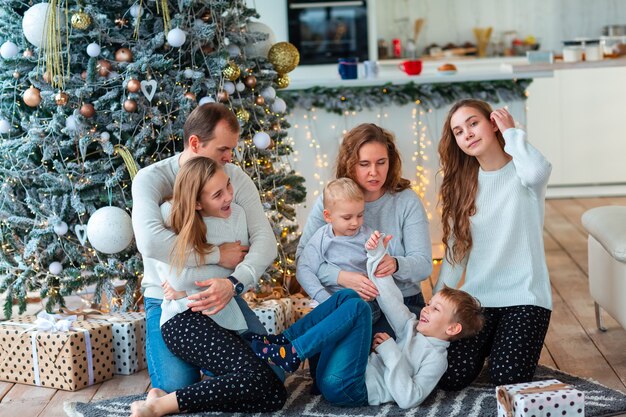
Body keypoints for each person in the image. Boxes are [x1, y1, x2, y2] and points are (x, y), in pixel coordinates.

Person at [131, 103, 279, 392]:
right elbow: (150, 242)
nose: (229, 158)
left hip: (221, 294)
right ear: (196, 143)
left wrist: (234, 283)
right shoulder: (152, 179)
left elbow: (264, 239)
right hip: (168, 300)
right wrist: (217, 254)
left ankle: (228, 374)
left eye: (232, 150)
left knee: (274, 372)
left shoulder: (234, 177)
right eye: (223, 149)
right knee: (177, 385)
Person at [250, 230, 483, 409]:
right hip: (331, 376)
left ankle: (292, 353)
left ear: (452, 328)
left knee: (359, 309)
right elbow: (390, 298)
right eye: (429, 304)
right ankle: (284, 342)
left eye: (436, 309)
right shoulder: (411, 326)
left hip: (350, 389)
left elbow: (410, 398)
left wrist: (391, 352)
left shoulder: (436, 359)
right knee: (348, 296)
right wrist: (377, 255)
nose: (426, 309)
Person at [434, 99, 553, 390]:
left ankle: (501, 345)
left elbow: (540, 171)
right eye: (459, 131)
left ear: (492, 124)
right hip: (478, 300)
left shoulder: (524, 174)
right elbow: (456, 250)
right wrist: (438, 299)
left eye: (473, 123)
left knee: (507, 378)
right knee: (450, 377)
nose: (468, 134)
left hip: (525, 298)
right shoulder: (463, 184)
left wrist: (512, 133)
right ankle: (493, 342)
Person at [297, 123, 433, 333]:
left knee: (363, 345)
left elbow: (424, 265)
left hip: (401, 303)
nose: (374, 172)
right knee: (332, 350)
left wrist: (395, 264)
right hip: (345, 303)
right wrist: (341, 277)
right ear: (350, 164)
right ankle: (288, 348)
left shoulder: (407, 201)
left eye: (381, 162)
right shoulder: (331, 200)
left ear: (391, 162)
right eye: (364, 164)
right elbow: (303, 260)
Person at [296, 177, 382, 324]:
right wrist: (324, 298)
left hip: (361, 304)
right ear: (328, 216)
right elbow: (303, 268)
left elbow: (381, 262)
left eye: (360, 215)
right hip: (328, 301)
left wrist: (379, 249)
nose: (355, 223)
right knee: (311, 324)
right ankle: (287, 344)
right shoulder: (321, 238)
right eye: (347, 217)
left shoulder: (368, 236)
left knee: (346, 321)